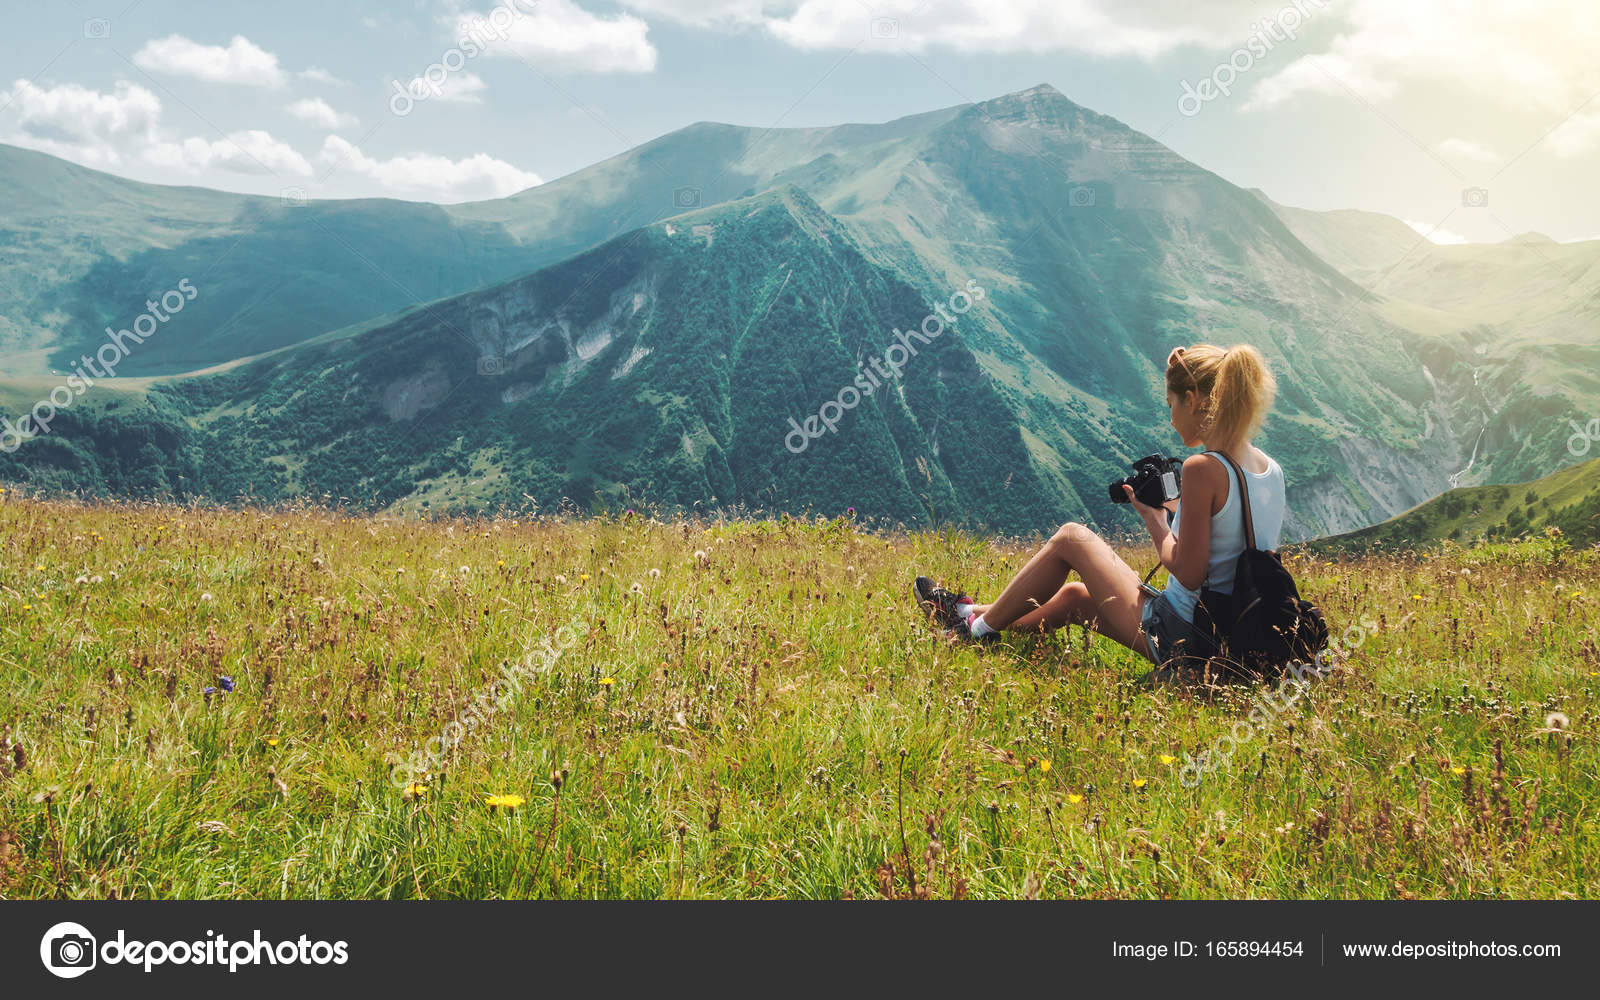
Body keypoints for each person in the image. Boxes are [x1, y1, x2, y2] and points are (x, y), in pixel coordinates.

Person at [914, 344, 1284, 673]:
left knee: (1071, 538)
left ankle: (972, 633)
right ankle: (967, 613)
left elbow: (1188, 574)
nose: (1171, 416)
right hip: (1233, 637)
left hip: (1186, 637)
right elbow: (1231, 550)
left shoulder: (1202, 468)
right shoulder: (1269, 470)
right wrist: (1180, 508)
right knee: (1074, 597)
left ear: (1193, 399)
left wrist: (1155, 519)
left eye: (1171, 403)